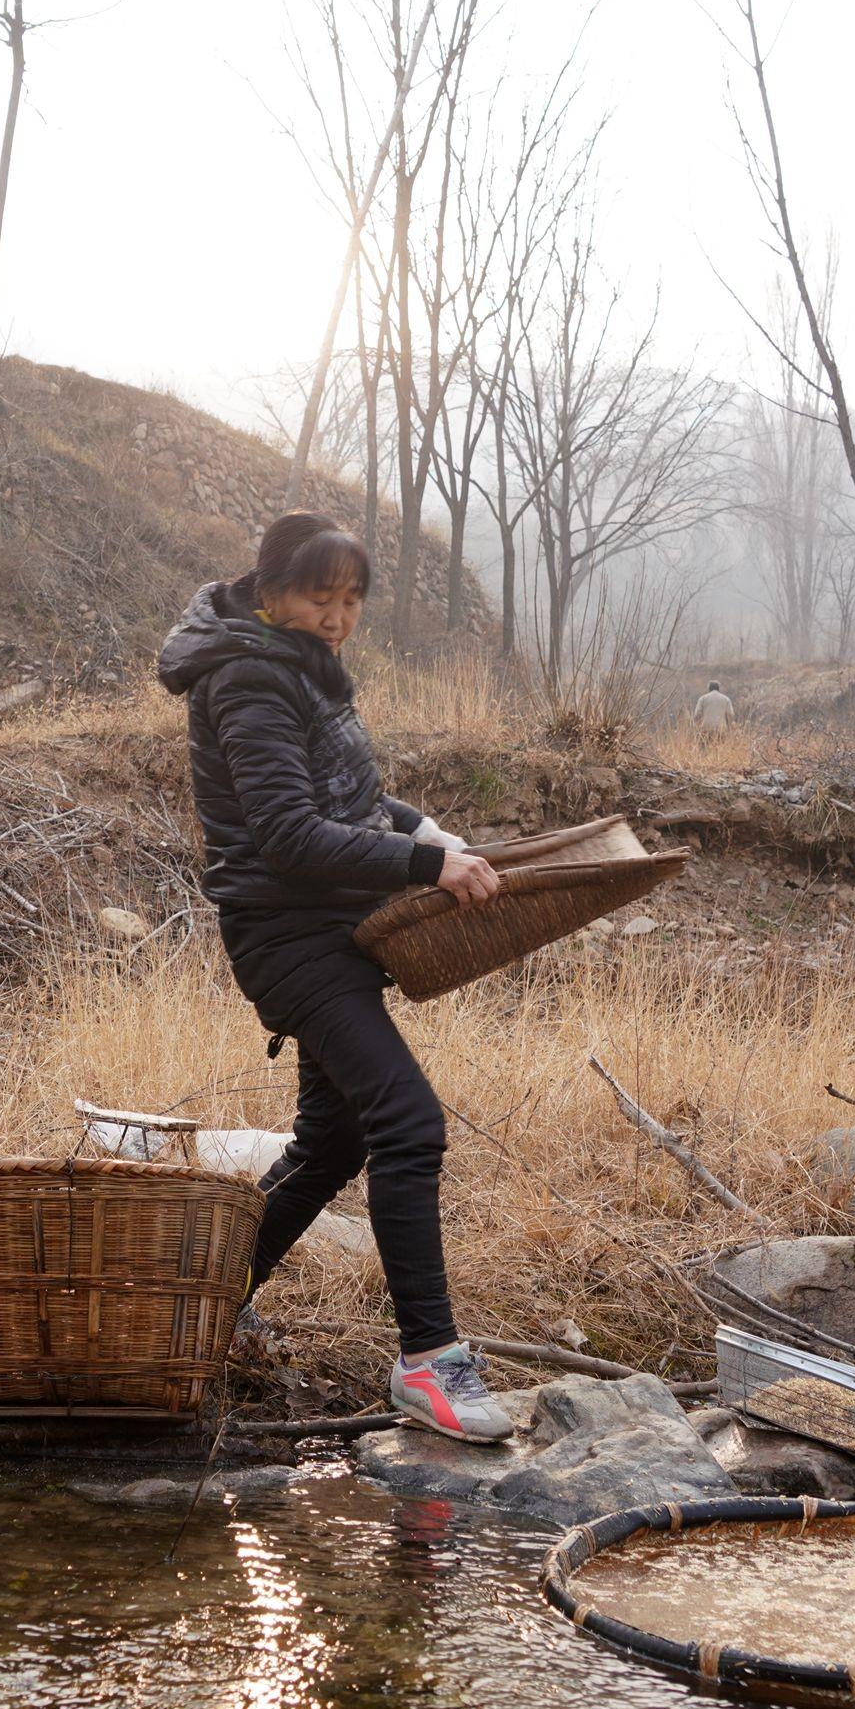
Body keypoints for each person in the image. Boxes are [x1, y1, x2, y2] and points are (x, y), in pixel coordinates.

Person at [157, 511, 515, 1444]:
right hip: (290, 936)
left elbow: (345, 798)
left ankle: (209, 1302)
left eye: (353, 598)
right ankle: (429, 1363)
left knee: (335, 1137)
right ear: (271, 590)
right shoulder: (247, 677)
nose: (339, 615)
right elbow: (285, 831)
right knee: (408, 1121)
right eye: (322, 595)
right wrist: (422, 866)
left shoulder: (292, 664)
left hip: (331, 927)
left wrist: (423, 829)